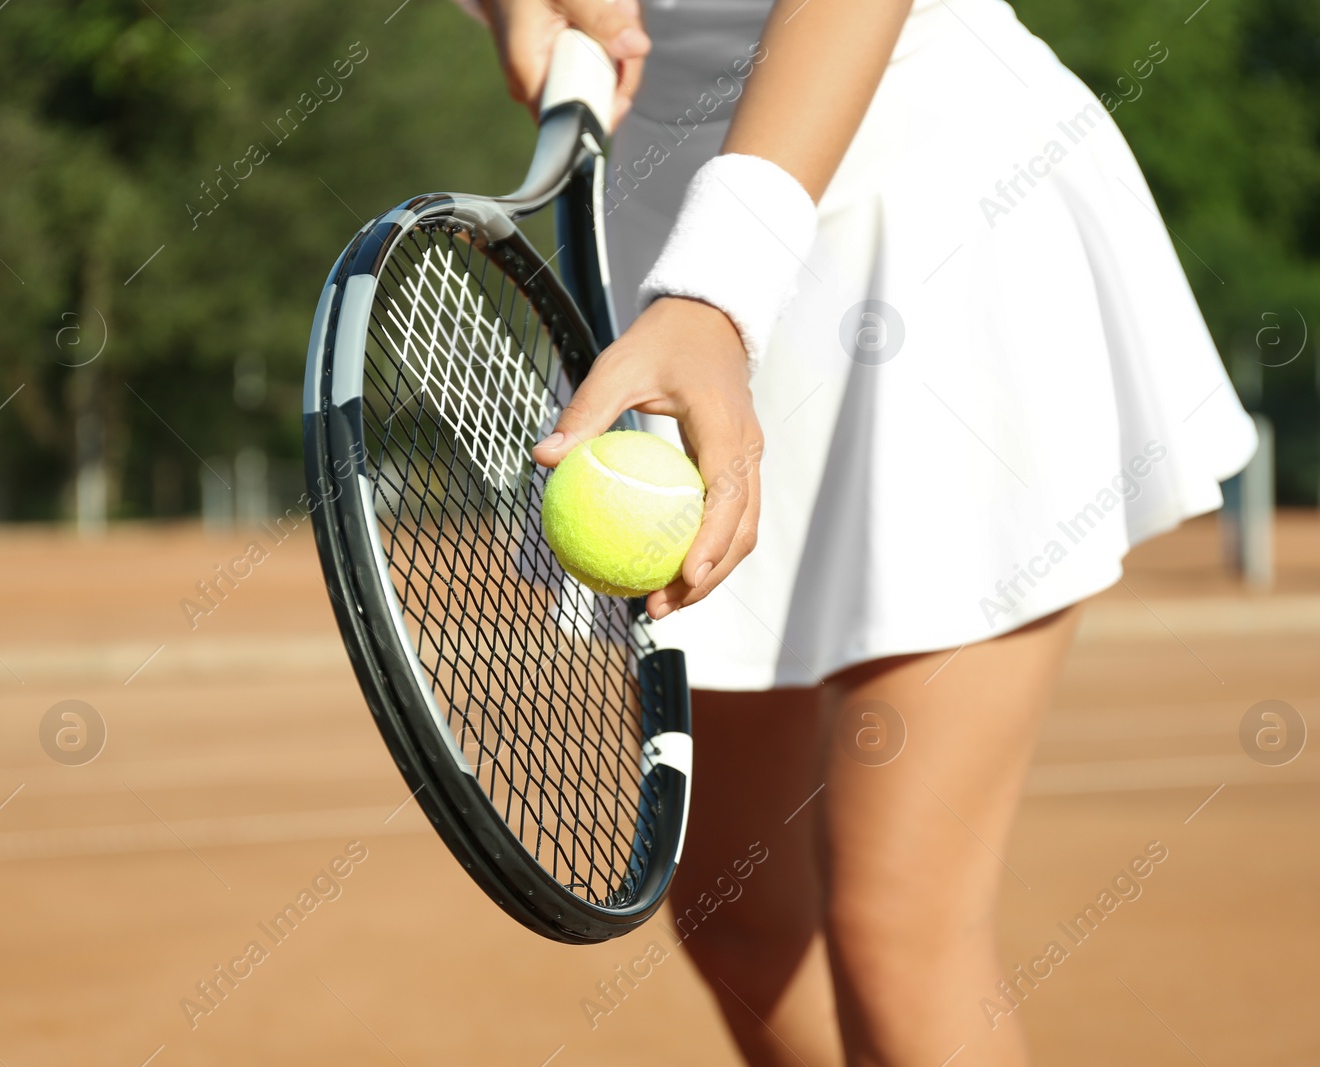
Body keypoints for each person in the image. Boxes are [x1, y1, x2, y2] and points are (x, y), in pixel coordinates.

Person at [477, 0, 1257, 1062]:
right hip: (662, 253)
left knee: (897, 927)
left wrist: (721, 286)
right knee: (736, 919)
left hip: (925, 207)